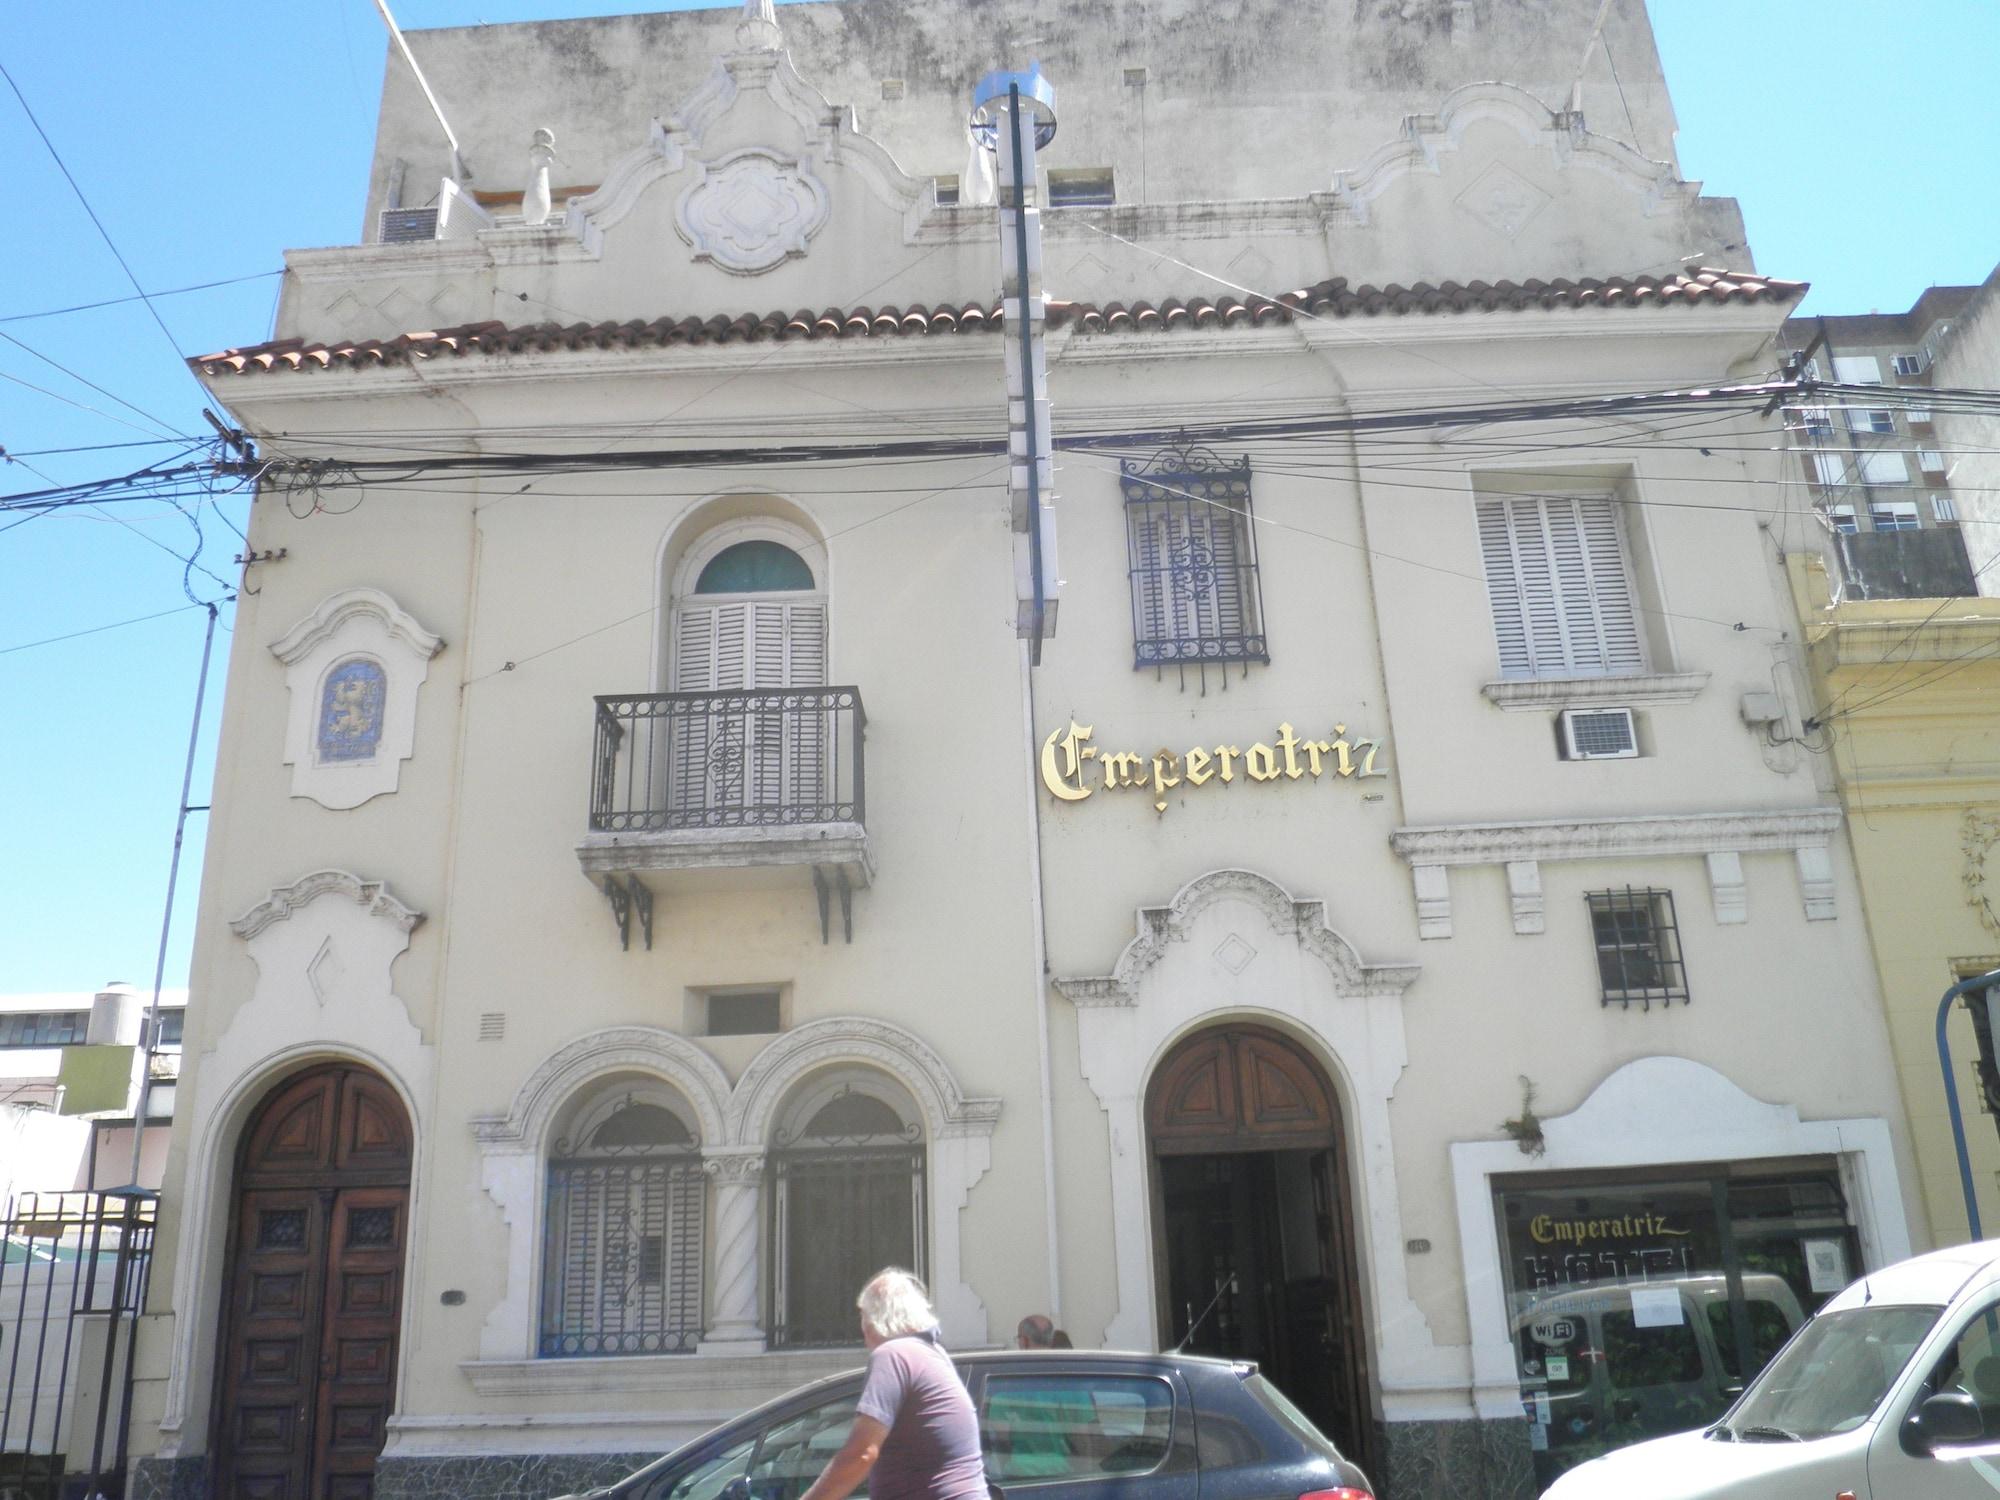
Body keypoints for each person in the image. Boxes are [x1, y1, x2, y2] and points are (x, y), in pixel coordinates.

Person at [797, 1269, 988, 1500]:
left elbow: (862, 1454)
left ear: (872, 1323)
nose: (864, 1337)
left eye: (863, 1320)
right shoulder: (934, 1354)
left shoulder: (893, 1354)